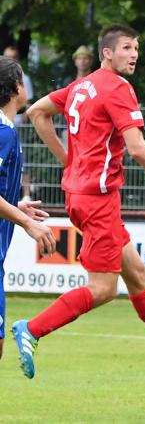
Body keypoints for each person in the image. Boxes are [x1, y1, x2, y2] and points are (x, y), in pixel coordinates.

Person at [13, 24, 145, 380]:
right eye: (127, 47)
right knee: (104, 289)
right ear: (107, 53)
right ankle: (31, 328)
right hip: (97, 199)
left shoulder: (82, 85)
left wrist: (70, 161)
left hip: (82, 195)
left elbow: (36, 112)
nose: (134, 54)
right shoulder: (118, 88)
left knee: (137, 274)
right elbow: (138, 148)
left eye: (136, 48)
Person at [0, 55, 56, 362]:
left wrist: (16, 204)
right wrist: (26, 221)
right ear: (14, 87)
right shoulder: (3, 132)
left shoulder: (8, 129)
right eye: (23, 80)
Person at [3, 45, 33, 125]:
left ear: (17, 59)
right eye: (6, 57)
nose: (9, 60)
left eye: (12, 57)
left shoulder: (24, 78)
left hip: (17, 123)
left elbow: (27, 102)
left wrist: (22, 121)